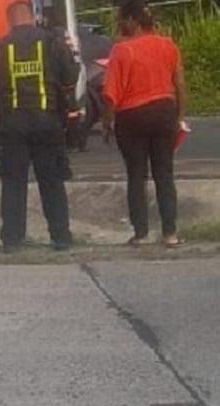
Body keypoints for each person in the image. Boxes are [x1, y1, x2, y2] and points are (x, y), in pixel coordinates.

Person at [0, 0, 81, 253]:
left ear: (9, 21)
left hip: (12, 124)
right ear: (32, 17)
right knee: (52, 181)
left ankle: (12, 240)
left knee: (13, 183)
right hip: (47, 122)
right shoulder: (51, 42)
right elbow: (70, 75)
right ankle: (61, 237)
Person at [102, 0, 187, 248]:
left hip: (132, 117)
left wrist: (107, 123)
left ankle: (141, 234)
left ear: (132, 20)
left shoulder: (121, 50)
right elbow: (180, 83)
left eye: (122, 19)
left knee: (136, 176)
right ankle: (170, 234)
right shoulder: (168, 45)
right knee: (164, 174)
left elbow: (110, 94)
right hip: (164, 113)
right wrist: (179, 116)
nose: (120, 24)